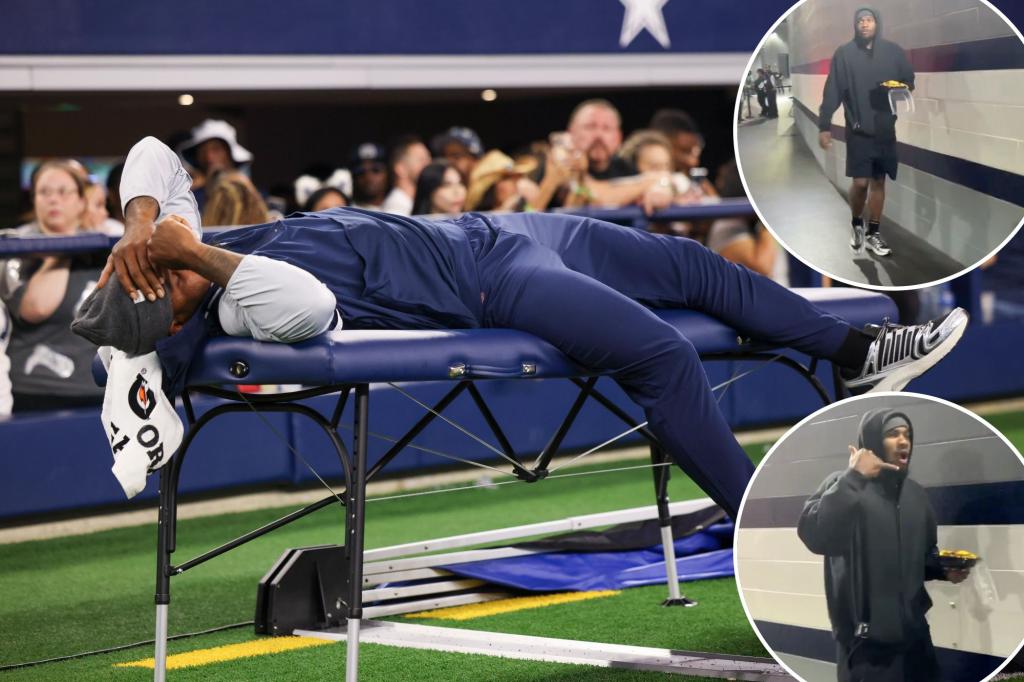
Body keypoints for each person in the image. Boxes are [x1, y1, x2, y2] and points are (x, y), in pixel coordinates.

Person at [97, 137, 967, 519]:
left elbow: (147, 155)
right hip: (487, 282)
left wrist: (142, 223)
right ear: (173, 309)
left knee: (695, 269)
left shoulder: (176, 240)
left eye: (159, 263)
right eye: (160, 282)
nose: (167, 265)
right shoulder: (236, 295)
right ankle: (768, 529)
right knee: (660, 356)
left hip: (512, 232)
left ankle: (855, 354)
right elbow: (308, 306)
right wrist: (188, 254)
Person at [797, 409, 970, 682]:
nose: (903, 441)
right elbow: (817, 536)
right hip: (865, 647)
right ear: (873, 442)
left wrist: (942, 569)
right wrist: (854, 477)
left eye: (907, 435)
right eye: (893, 434)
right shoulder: (841, 485)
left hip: (916, 641)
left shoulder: (916, 495)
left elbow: (921, 557)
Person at [1, 160, 105, 411]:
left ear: (82, 201)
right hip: (32, 393)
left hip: (97, 393)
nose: (53, 200)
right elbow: (35, 308)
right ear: (34, 200)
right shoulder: (17, 251)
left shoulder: (107, 248)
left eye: (63, 192)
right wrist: (64, 246)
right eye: (44, 192)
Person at [818, 7, 914, 258]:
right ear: (855, 25)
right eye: (860, 20)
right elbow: (832, 91)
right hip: (859, 130)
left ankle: (873, 233)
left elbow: (908, 79)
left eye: (869, 20)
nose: (864, 24)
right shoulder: (845, 54)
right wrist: (824, 125)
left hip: (884, 129)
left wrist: (901, 88)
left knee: (879, 181)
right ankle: (856, 223)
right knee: (860, 183)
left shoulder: (892, 52)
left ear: (876, 24)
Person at [176, 120, 254, 211]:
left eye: (216, 149)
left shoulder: (252, 193)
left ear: (230, 153)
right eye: (203, 151)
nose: (209, 157)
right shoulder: (188, 197)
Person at [381, 136, 431, 216]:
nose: (429, 165)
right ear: (401, 169)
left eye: (429, 159)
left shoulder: (414, 202)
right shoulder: (396, 208)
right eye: (422, 160)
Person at [349, 142, 390, 210]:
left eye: (376, 170)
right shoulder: (347, 211)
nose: (368, 177)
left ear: (387, 173)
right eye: (361, 172)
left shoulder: (403, 203)